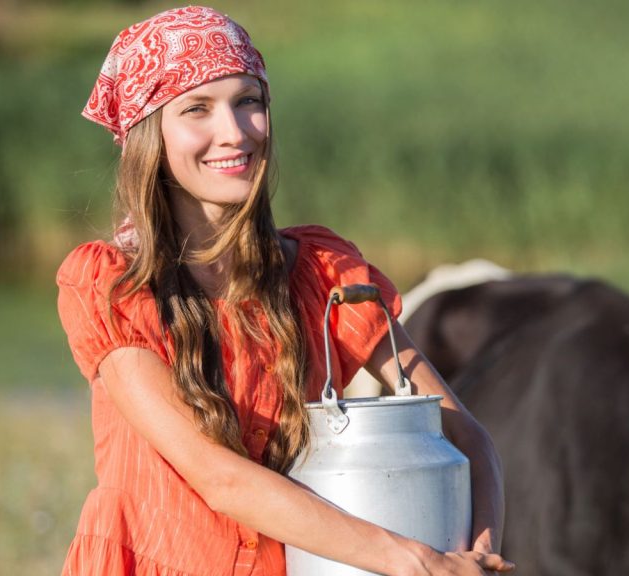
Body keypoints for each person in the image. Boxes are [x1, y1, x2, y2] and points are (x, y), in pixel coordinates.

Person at [57, 6, 512, 576]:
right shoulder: (113, 285)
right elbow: (216, 475)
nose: (236, 131)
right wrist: (412, 560)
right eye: (197, 108)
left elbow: (466, 435)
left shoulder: (324, 277)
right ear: (150, 136)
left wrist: (480, 551)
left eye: (249, 100)